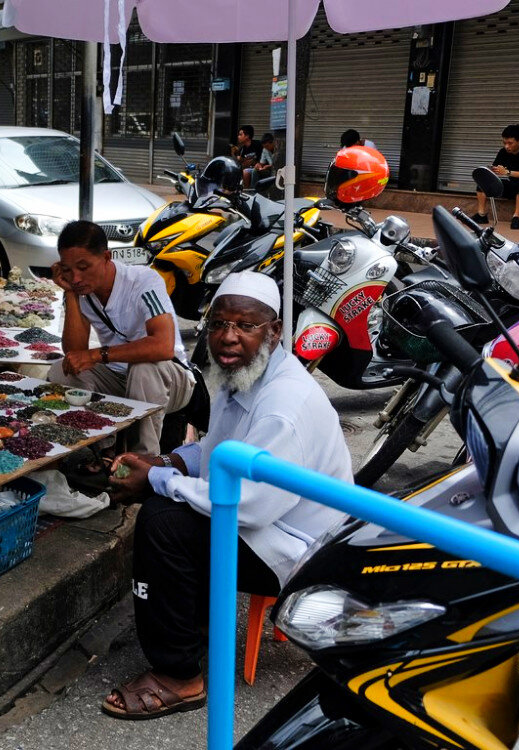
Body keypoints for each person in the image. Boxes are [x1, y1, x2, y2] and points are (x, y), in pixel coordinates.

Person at [100, 271, 351, 721]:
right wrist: (168, 464)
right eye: (218, 324)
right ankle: (193, 627)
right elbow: (217, 449)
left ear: (273, 331)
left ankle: (180, 675)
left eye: (245, 326)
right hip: (270, 522)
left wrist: (157, 483)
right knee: (170, 502)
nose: (227, 338)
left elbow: (248, 507)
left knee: (163, 523)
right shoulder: (244, 375)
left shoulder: (284, 405)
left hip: (298, 551)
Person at [48, 221, 195, 454]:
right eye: (67, 270)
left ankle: (143, 463)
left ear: (106, 257)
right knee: (61, 371)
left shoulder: (143, 281)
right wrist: (70, 294)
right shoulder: (80, 290)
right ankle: (101, 446)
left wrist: (98, 354)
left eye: (83, 267)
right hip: (118, 378)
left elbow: (164, 346)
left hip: (171, 380)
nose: (75, 277)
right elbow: (75, 354)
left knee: (143, 369)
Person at [472, 124, 519, 231]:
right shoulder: (503, 152)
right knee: (483, 182)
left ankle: (516, 217)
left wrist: (507, 172)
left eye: (510, 143)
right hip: (512, 188)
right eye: (504, 143)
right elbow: (495, 170)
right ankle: (481, 214)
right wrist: (492, 170)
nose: (507, 146)